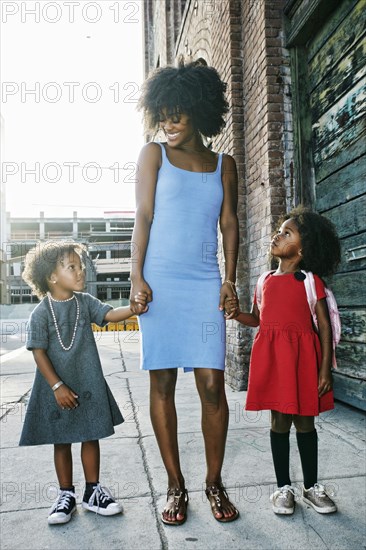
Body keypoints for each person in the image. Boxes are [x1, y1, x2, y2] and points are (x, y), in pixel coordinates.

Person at [129, 62, 240, 525]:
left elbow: (229, 223)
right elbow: (143, 217)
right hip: (160, 281)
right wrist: (136, 276)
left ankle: (214, 482)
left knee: (213, 385)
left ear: (198, 112)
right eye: (163, 116)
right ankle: (176, 486)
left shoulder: (224, 165)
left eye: (177, 115)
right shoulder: (152, 154)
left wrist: (230, 279)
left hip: (203, 282)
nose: (168, 124)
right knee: (162, 382)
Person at [20, 241, 147, 525]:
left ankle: (93, 491)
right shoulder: (40, 314)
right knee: (62, 440)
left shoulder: (85, 302)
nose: (81, 272)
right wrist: (56, 386)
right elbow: (38, 352)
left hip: (87, 381)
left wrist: (134, 309)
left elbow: (109, 314)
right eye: (72, 267)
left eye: (82, 266)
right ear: (52, 277)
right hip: (56, 387)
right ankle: (66, 495)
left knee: (91, 434)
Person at [231, 206, 341, 515]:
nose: (278, 235)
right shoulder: (264, 280)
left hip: (303, 360)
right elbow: (256, 318)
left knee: (305, 422)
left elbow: (324, 327)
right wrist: (235, 312)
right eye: (279, 230)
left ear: (303, 248)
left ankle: (311, 488)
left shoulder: (310, 281)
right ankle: (283, 489)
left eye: (287, 233)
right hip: (273, 360)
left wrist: (324, 370)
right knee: (279, 421)